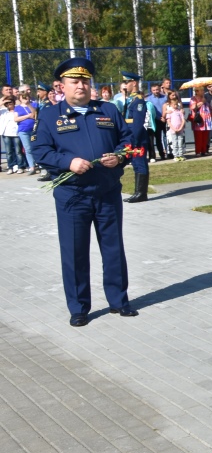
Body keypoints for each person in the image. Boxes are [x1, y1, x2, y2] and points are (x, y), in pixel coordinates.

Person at [31, 58, 139, 327]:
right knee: (75, 251)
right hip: (73, 195)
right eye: (74, 81)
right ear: (61, 86)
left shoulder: (107, 110)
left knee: (113, 248)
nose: (81, 85)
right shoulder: (48, 115)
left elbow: (127, 141)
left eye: (85, 81)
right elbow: (40, 151)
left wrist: (119, 157)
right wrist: (68, 163)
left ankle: (119, 301)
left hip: (107, 191)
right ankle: (79, 307)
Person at [120, 73, 150, 203]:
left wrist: (133, 140)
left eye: (127, 83)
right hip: (130, 135)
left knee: (140, 164)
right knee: (135, 164)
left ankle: (141, 193)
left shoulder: (138, 100)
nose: (125, 85)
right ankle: (138, 192)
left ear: (134, 83)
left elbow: (138, 123)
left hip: (136, 137)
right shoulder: (130, 99)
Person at [15, 91, 38, 173]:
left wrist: (28, 104)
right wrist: (28, 116)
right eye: (22, 97)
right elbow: (16, 119)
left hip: (33, 129)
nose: (24, 98)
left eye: (26, 96)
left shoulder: (33, 104)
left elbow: (35, 115)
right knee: (28, 149)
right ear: (19, 98)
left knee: (36, 147)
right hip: (23, 130)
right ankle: (32, 166)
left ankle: (39, 164)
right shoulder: (17, 107)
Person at [145, 83, 168, 160]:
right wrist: (159, 117)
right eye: (154, 90)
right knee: (158, 138)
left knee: (167, 137)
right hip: (155, 120)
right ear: (151, 91)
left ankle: (168, 153)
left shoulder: (165, 98)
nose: (156, 91)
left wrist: (164, 117)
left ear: (159, 89)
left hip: (165, 119)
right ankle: (159, 154)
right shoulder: (149, 99)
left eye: (157, 89)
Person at [163, 92, 187, 161]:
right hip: (172, 128)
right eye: (172, 95)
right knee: (173, 142)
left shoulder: (179, 108)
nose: (174, 96)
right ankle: (174, 155)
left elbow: (183, 118)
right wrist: (166, 112)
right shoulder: (167, 107)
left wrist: (181, 127)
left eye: (175, 95)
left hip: (180, 127)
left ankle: (181, 155)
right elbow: (166, 118)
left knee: (180, 142)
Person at [1, 97, 20, 172]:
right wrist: (3, 101)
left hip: (16, 133)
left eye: (11, 102)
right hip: (6, 133)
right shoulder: (3, 111)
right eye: (8, 103)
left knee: (18, 151)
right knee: (8, 152)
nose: (9, 104)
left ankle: (19, 165)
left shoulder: (17, 110)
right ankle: (10, 166)